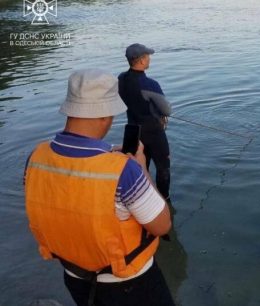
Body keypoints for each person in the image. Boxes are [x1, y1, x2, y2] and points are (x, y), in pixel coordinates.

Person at [24, 69, 175, 306]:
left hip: (74, 277)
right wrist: (143, 169)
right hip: (130, 284)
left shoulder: (35, 157)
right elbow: (163, 224)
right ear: (105, 115)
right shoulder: (126, 171)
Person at [118, 43, 172, 200]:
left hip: (132, 131)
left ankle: (138, 198)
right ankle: (163, 199)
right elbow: (167, 110)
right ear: (141, 60)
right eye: (148, 57)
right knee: (163, 167)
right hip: (153, 132)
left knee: (137, 167)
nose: (149, 60)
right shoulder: (150, 84)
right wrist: (159, 113)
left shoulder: (121, 78)